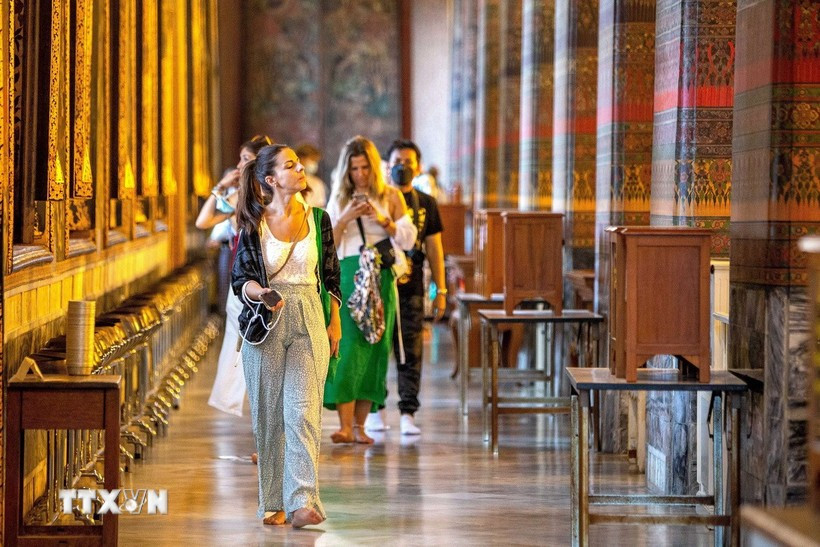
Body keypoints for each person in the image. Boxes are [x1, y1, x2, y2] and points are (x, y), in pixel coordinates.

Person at [231, 143, 341, 528]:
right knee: (268, 415)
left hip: (310, 315)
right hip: (268, 318)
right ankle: (272, 500)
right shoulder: (252, 223)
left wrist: (334, 323)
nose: (299, 170)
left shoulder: (319, 219)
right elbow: (239, 280)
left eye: (299, 164)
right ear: (271, 179)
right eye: (289, 166)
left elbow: (330, 276)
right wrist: (260, 293)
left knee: (303, 412)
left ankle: (303, 501)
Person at [323, 136, 417, 444]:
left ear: (374, 167)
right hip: (349, 273)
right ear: (346, 170)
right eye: (354, 169)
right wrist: (346, 218)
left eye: (365, 167)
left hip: (381, 277)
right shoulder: (338, 198)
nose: (360, 174)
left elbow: (407, 240)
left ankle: (361, 427)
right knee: (348, 347)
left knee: (376, 347)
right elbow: (328, 246)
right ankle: (345, 426)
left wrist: (383, 220)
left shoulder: (390, 196)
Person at [365, 139, 446, 436]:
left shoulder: (426, 202)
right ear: (387, 166)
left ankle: (408, 412)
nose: (403, 166)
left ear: (419, 167)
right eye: (397, 160)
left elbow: (435, 247)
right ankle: (375, 407)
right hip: (378, 282)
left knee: (410, 349)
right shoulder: (376, 199)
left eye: (409, 161)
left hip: (412, 284)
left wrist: (441, 291)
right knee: (376, 345)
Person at [195, 135, 272, 420]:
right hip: (244, 276)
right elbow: (203, 221)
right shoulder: (237, 196)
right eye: (240, 158)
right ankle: (248, 406)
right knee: (240, 338)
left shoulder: (271, 197)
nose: (239, 165)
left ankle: (265, 410)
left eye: (245, 160)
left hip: (268, 275)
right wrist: (221, 187)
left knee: (263, 344)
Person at [295, 143, 328, 207]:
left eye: (316, 161)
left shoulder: (317, 183)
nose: (314, 164)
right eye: (312, 159)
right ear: (300, 158)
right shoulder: (291, 181)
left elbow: (320, 207)